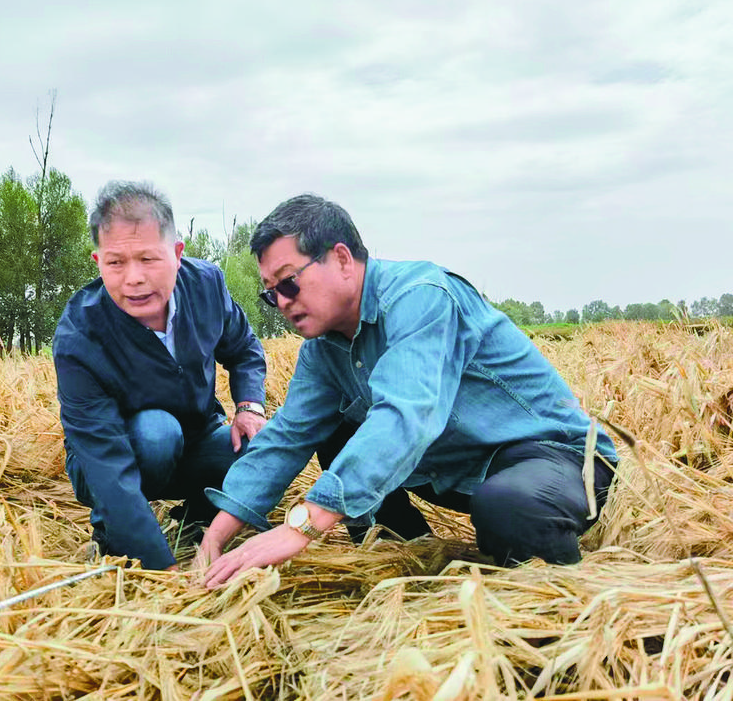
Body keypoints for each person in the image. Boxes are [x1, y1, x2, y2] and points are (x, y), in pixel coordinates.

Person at [197, 195, 617, 588]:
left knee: (508, 507)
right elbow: (288, 437)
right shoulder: (322, 349)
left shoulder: (420, 297)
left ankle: (548, 590)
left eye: (289, 283)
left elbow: (406, 417)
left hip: (553, 458)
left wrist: (301, 527)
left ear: (341, 259)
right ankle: (405, 560)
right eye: (271, 294)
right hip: (458, 471)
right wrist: (214, 538)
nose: (283, 302)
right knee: (336, 430)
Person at [53, 181, 268, 571]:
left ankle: (197, 518)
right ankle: (112, 534)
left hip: (197, 437)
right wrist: (160, 569)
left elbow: (243, 348)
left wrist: (249, 405)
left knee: (262, 448)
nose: (133, 278)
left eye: (148, 259)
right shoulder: (79, 336)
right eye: (116, 263)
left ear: (177, 254)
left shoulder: (206, 286)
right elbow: (104, 460)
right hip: (112, 458)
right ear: (97, 261)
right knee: (157, 433)